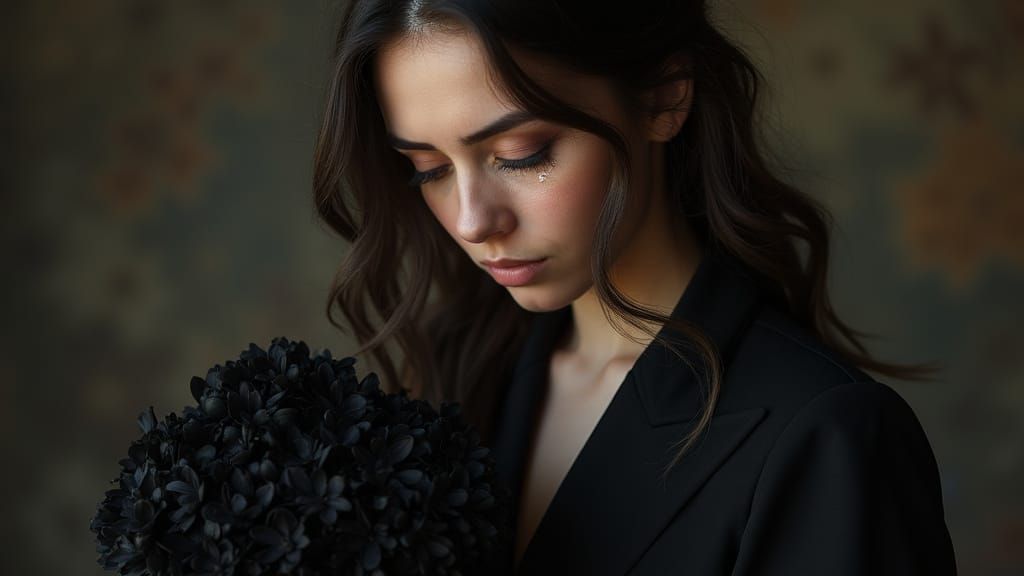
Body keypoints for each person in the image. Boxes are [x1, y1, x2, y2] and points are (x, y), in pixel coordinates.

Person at [312, 0, 959, 574]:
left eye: (522, 153)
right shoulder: (471, 374)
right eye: (427, 168)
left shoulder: (824, 436)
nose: (471, 219)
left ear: (664, 97)